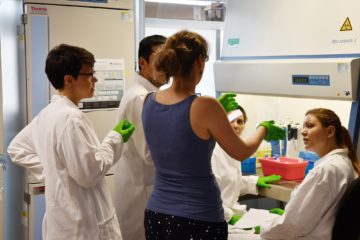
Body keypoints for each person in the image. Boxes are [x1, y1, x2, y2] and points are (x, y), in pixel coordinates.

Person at [141, 29, 285, 240]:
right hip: (197, 217)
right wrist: (262, 128)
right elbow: (242, 151)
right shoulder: (205, 105)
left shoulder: (149, 101)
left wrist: (217, 110)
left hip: (157, 214)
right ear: (200, 61)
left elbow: (180, 137)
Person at [7, 44, 135, 240]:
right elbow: (90, 173)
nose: (95, 80)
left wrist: (56, 170)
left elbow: (16, 148)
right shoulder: (71, 118)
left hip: (63, 223)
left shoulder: (48, 113)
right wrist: (115, 138)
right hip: (84, 226)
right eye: (89, 74)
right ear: (69, 79)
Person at [260, 108, 360, 240]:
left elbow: (291, 226)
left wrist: (264, 228)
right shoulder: (344, 163)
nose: (303, 131)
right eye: (304, 127)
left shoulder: (326, 169)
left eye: (310, 126)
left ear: (330, 131)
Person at [113, 34, 167, 240]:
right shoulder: (140, 97)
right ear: (142, 62)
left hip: (144, 189)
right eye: (159, 58)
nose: (165, 66)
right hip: (140, 193)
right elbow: (149, 152)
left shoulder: (149, 93)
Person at [211, 105, 281, 227]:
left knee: (274, 222)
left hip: (233, 214)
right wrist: (230, 217)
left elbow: (228, 182)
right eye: (230, 120)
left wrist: (254, 181)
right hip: (219, 219)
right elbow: (208, 194)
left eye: (240, 121)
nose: (235, 125)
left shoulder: (232, 148)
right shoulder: (212, 151)